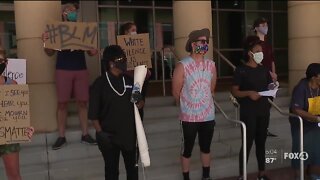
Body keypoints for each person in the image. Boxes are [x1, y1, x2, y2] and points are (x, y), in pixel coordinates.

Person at [42, 2, 97, 150]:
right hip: (63, 69)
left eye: (74, 10)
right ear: (63, 13)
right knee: (62, 103)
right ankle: (61, 136)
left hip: (81, 69)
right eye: (69, 10)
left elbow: (92, 53)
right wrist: (45, 42)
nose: (73, 12)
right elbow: (49, 53)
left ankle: (85, 134)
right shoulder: (57, 29)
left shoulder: (83, 30)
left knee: (83, 102)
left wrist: (93, 46)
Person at [88, 45, 143, 180]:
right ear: (111, 63)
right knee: (111, 172)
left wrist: (138, 93)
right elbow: (93, 114)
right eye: (120, 58)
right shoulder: (99, 84)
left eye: (124, 58)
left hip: (129, 135)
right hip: (109, 137)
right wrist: (100, 133)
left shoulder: (130, 80)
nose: (123, 61)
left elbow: (140, 104)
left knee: (133, 172)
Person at [172, 28, 216, 180]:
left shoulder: (211, 65)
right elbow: (176, 92)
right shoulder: (182, 65)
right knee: (187, 150)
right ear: (192, 44)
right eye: (202, 42)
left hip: (208, 116)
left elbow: (211, 88)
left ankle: (206, 176)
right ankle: (186, 177)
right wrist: (188, 104)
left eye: (207, 42)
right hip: (189, 118)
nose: (205, 44)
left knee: (206, 148)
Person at [231, 36, 273, 180]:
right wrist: (248, 93)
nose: (261, 53)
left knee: (261, 143)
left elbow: (268, 87)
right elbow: (235, 91)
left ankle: (262, 174)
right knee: (247, 143)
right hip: (248, 112)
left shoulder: (264, 70)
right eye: (257, 51)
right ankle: (242, 175)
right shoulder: (241, 70)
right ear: (250, 53)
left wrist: (274, 87)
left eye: (261, 51)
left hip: (263, 111)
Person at [0, 47, 35, 180]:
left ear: (6, 63)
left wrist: (26, 127)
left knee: (14, 175)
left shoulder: (13, 84)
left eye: (1, 60)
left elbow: (19, 113)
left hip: (9, 137)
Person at [289, 63, 320, 180]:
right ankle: (299, 176)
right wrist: (316, 118)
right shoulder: (301, 88)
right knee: (300, 151)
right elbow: (296, 109)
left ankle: (313, 175)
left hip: (316, 125)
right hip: (301, 125)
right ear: (314, 77)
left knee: (316, 150)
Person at [253, 17, 278, 137]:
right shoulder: (254, 44)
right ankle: (259, 128)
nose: (265, 27)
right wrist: (268, 73)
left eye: (266, 25)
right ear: (256, 28)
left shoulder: (268, 44)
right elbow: (256, 61)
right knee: (261, 103)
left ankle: (265, 128)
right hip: (260, 76)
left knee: (268, 104)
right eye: (263, 25)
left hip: (269, 78)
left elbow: (272, 60)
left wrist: (274, 75)